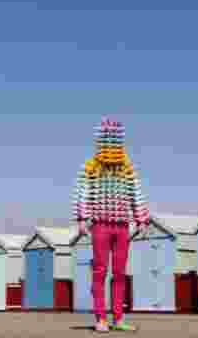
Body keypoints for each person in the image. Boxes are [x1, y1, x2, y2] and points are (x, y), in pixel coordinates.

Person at [72, 118, 150, 332]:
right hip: (100, 225)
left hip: (122, 226)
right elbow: (83, 193)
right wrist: (81, 219)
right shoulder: (90, 167)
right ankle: (100, 318)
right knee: (99, 270)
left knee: (119, 272)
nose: (111, 141)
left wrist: (141, 219)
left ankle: (118, 318)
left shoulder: (127, 167)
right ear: (100, 139)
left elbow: (136, 193)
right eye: (107, 137)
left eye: (115, 137)